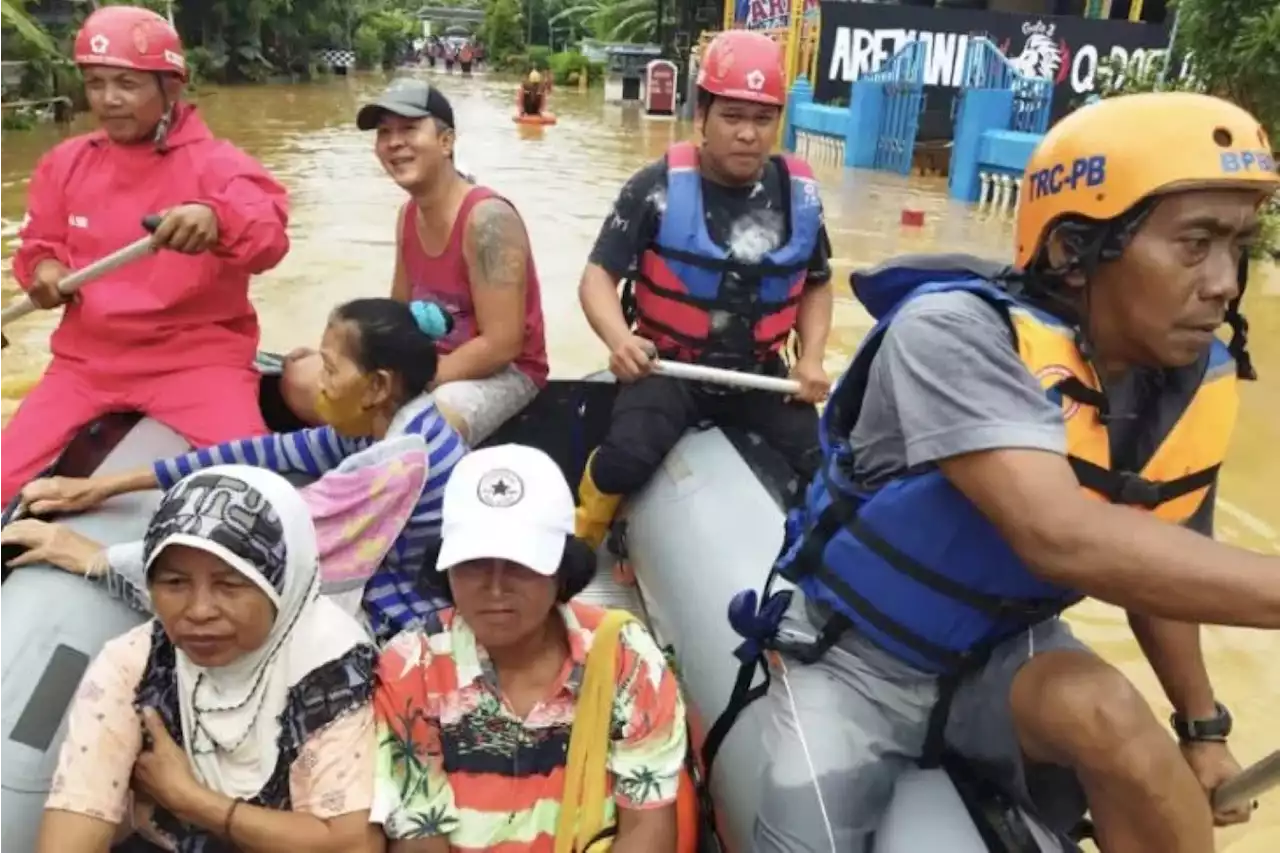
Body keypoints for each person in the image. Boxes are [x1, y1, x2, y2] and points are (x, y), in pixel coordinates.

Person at [744, 92, 1280, 853]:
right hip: (860, 658)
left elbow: (1162, 569)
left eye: (1238, 245)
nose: (1226, 282)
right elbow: (1060, 536)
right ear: (1071, 251)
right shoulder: (954, 333)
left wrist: (1201, 728)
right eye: (1195, 244)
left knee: (1119, 724)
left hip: (1002, 651)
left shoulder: (1185, 381)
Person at [17, 298, 467, 643]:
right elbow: (269, 452)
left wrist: (93, 556)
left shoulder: (394, 463)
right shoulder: (383, 420)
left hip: (406, 612)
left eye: (329, 368)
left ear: (377, 385)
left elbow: (262, 539)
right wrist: (108, 486)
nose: (320, 382)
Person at [0, 5, 290, 505]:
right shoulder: (64, 163)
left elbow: (268, 237)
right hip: (86, 363)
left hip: (196, 361)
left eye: (127, 84)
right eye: (95, 83)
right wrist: (44, 271)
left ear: (171, 88)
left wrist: (216, 219)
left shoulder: (218, 163)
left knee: (251, 490)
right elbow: (38, 246)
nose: (108, 100)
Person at [574, 29, 834, 549]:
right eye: (732, 117)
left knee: (828, 467)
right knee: (626, 457)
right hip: (670, 369)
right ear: (702, 118)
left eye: (763, 119)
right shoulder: (655, 187)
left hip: (762, 377)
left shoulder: (798, 196)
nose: (748, 134)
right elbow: (597, 278)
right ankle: (583, 542)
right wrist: (620, 341)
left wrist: (813, 360)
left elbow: (817, 285)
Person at [37, 466, 380, 853]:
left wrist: (189, 798)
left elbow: (353, 844)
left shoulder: (331, 669)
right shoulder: (135, 663)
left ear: (283, 583)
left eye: (230, 584)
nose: (199, 611)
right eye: (174, 583)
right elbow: (78, 814)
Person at [370, 444, 688, 852]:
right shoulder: (409, 667)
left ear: (561, 568)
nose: (496, 587)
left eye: (520, 563)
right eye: (474, 562)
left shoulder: (626, 658)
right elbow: (420, 835)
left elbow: (645, 829)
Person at [282, 80, 549, 446]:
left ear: (446, 142)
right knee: (298, 379)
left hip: (504, 373)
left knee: (414, 430)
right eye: (384, 133)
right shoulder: (408, 216)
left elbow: (502, 344)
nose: (394, 143)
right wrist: (341, 360)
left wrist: (405, 386)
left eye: (409, 129)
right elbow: (399, 316)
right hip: (428, 361)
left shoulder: (488, 219)